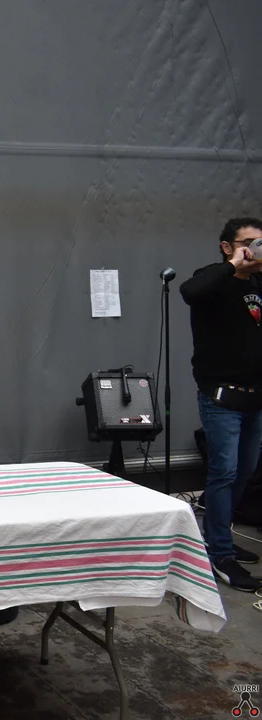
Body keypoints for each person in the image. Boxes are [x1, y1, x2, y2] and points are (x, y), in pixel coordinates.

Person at [181, 217, 262, 592]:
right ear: (227, 247)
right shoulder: (212, 279)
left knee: (245, 473)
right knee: (224, 474)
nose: (256, 250)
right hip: (222, 397)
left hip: (255, 397)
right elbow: (190, 291)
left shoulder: (258, 286)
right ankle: (219, 554)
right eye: (250, 243)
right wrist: (233, 265)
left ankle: (220, 537)